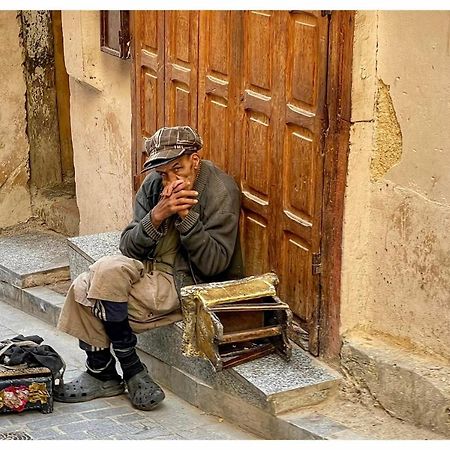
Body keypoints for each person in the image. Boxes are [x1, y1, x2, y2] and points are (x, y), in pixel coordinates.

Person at [56, 126, 243, 410]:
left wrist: (186, 217)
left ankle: (106, 371)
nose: (170, 180)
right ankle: (126, 369)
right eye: (163, 173)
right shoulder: (154, 186)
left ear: (195, 159)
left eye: (177, 169)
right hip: (145, 270)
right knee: (102, 275)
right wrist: (156, 216)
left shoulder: (220, 190)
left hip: (181, 283)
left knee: (86, 288)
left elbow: (214, 266)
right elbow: (129, 247)